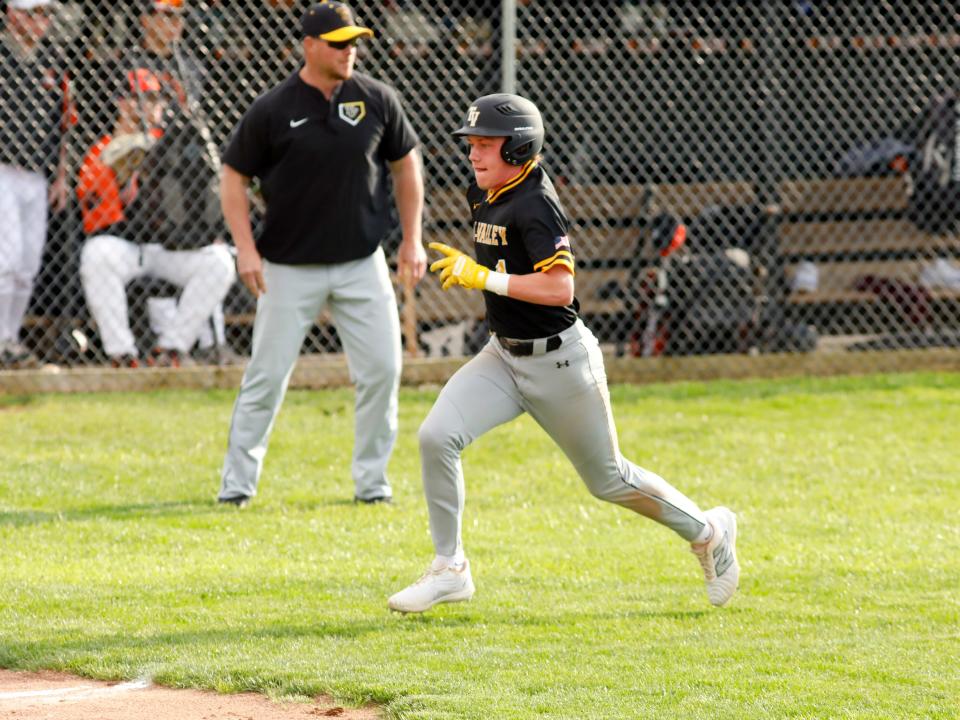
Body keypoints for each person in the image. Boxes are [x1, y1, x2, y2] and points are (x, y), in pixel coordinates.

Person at [387, 94, 741, 614]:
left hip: (560, 363)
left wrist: (483, 277)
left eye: (486, 144)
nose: (474, 154)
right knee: (437, 436)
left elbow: (560, 289)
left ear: (521, 146)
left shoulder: (535, 201)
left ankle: (709, 531)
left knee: (610, 480)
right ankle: (450, 568)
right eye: (472, 144)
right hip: (503, 356)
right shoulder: (484, 189)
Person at [216, 1, 426, 507]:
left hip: (360, 261)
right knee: (266, 377)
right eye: (339, 43)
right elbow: (233, 177)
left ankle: (372, 486)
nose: (350, 50)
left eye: (354, 41)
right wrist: (246, 250)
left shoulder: (377, 98)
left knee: (382, 370)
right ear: (309, 45)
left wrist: (412, 238)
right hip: (288, 268)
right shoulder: (273, 107)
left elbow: (406, 167)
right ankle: (236, 487)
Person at [77, 68, 236, 367]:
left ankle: (172, 349)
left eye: (156, 98)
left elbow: (203, 194)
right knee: (96, 254)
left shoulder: (179, 144)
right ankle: (122, 354)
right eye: (144, 98)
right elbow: (97, 219)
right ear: (122, 103)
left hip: (171, 248)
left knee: (219, 261)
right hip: (129, 248)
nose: (151, 105)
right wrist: (124, 180)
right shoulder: (102, 151)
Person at [0, 0, 69, 368]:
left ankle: (10, 340)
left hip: (37, 174)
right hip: (3, 170)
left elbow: (61, 124)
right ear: (13, 14)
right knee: (5, 260)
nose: (41, 22)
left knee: (27, 265)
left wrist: (60, 173)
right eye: (34, 13)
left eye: (46, 14)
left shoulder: (51, 60)